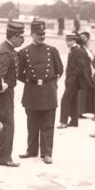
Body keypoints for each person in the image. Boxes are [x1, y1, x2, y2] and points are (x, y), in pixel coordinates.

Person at [17, 21, 64, 164]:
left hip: (48, 92)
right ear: (32, 34)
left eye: (43, 34)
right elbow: (19, 73)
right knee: (31, 123)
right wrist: (31, 81)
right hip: (31, 91)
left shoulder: (52, 50)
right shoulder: (24, 52)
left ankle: (47, 153)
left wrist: (50, 83)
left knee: (47, 125)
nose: (41, 37)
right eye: (38, 34)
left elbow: (60, 70)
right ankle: (31, 150)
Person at [0, 22, 25, 167]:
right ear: (14, 37)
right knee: (7, 124)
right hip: (3, 94)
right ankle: (4, 158)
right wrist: (4, 86)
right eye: (21, 37)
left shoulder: (8, 48)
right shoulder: (6, 51)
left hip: (2, 93)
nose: (22, 40)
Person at [58, 33, 91, 129]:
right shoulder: (74, 50)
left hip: (73, 80)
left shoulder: (78, 51)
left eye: (70, 40)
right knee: (73, 100)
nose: (68, 43)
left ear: (75, 41)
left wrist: (73, 77)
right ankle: (74, 121)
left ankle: (63, 122)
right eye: (67, 41)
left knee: (65, 100)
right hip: (72, 79)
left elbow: (81, 66)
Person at [77, 31, 95, 118]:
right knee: (82, 93)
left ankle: (83, 111)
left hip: (90, 73)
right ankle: (79, 112)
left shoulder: (89, 50)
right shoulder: (81, 50)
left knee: (87, 93)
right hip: (84, 74)